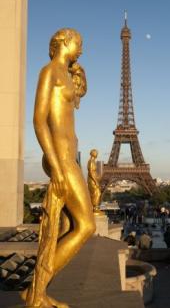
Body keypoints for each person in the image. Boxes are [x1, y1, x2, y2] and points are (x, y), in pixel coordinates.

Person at [22, 28, 96, 308]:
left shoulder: (64, 74)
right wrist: (55, 165)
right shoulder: (49, 72)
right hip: (62, 160)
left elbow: (78, 96)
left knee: (63, 228)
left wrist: (80, 74)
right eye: (80, 41)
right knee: (86, 225)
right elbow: (39, 121)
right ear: (65, 40)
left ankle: (37, 293)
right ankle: (36, 292)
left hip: (69, 158)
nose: (82, 47)